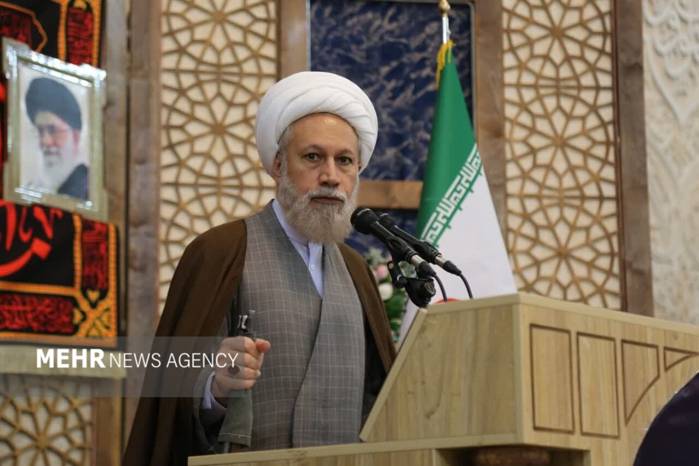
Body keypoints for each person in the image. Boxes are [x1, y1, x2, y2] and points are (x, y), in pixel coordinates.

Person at [124, 71, 396, 466]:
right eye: (313, 157)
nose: (330, 176)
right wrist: (215, 386)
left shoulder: (357, 271)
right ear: (278, 165)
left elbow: (380, 399)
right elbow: (171, 390)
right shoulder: (221, 252)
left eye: (344, 161)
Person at [25, 77, 88, 200]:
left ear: (75, 137)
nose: (45, 141)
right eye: (40, 131)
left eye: (53, 130)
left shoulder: (87, 189)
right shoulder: (34, 188)